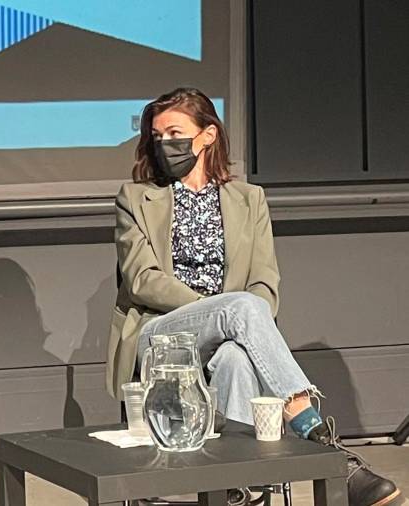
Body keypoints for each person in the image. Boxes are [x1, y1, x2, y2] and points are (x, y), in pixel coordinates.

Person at [106, 88, 402, 506]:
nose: (162, 143)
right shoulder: (136, 198)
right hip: (162, 335)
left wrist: (229, 318)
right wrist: (218, 310)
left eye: (174, 132)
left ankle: (242, 491)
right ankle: (326, 447)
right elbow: (142, 280)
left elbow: (264, 282)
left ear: (208, 135)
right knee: (241, 308)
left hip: (228, 335)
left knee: (235, 356)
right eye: (156, 136)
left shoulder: (249, 199)